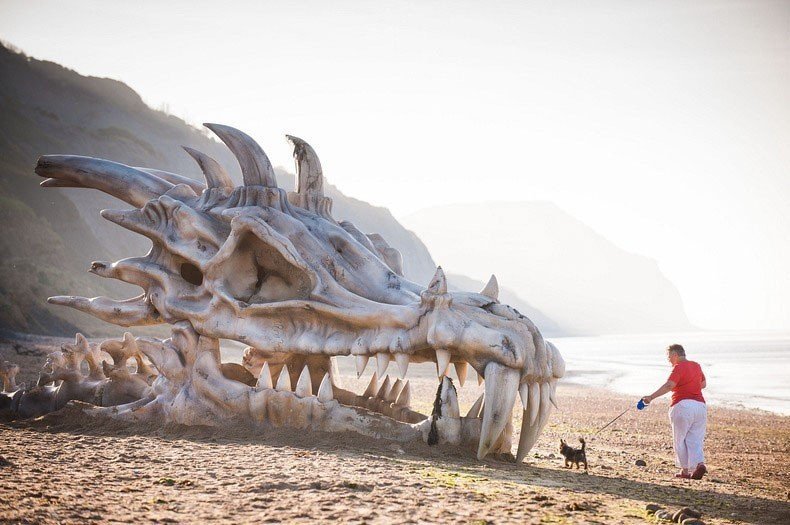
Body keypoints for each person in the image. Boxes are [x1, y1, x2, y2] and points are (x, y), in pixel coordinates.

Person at [641, 344, 707, 480]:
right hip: (700, 406)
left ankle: (685, 471)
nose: (669, 360)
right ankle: (699, 464)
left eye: (669, 356)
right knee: (695, 439)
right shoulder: (696, 365)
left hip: (683, 406)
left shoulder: (679, 367)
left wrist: (650, 397)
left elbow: (669, 385)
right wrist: (690, 386)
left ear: (676, 355)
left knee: (680, 439)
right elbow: (703, 384)